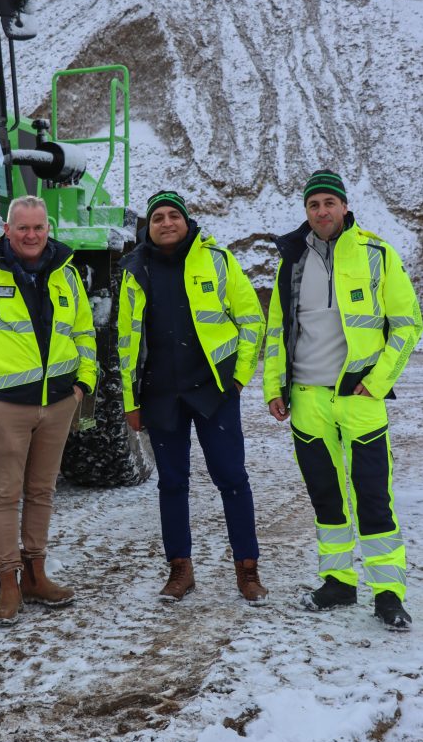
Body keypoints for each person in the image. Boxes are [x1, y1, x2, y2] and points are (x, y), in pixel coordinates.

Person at [264, 170, 422, 630]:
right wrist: (274, 386)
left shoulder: (377, 254)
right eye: (313, 205)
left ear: (345, 207)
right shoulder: (291, 261)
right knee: (326, 498)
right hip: (307, 400)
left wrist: (377, 381)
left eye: (329, 203)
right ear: (306, 212)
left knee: (373, 497)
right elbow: (279, 330)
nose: (321, 212)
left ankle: (388, 592)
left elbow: (408, 324)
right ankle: (338, 582)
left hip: (359, 397)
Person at [0, 195, 97, 626]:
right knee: (4, 495)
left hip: (58, 404)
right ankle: (8, 584)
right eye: (23, 228)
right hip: (7, 409)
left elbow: (85, 331)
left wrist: (82, 385)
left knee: (41, 492)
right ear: (7, 231)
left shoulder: (67, 275)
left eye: (38, 228)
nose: (31, 236)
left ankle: (36, 574)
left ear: (48, 230)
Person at [117, 190, 267, 605]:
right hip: (161, 395)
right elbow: (127, 339)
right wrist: (131, 399)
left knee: (232, 479)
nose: (166, 223)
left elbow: (252, 319)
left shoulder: (216, 260)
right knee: (172, 483)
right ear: (148, 226)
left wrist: (237, 379)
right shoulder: (135, 270)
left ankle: (247, 570)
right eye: (158, 217)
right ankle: (180, 569)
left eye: (173, 216)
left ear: (186, 221)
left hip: (214, 391)